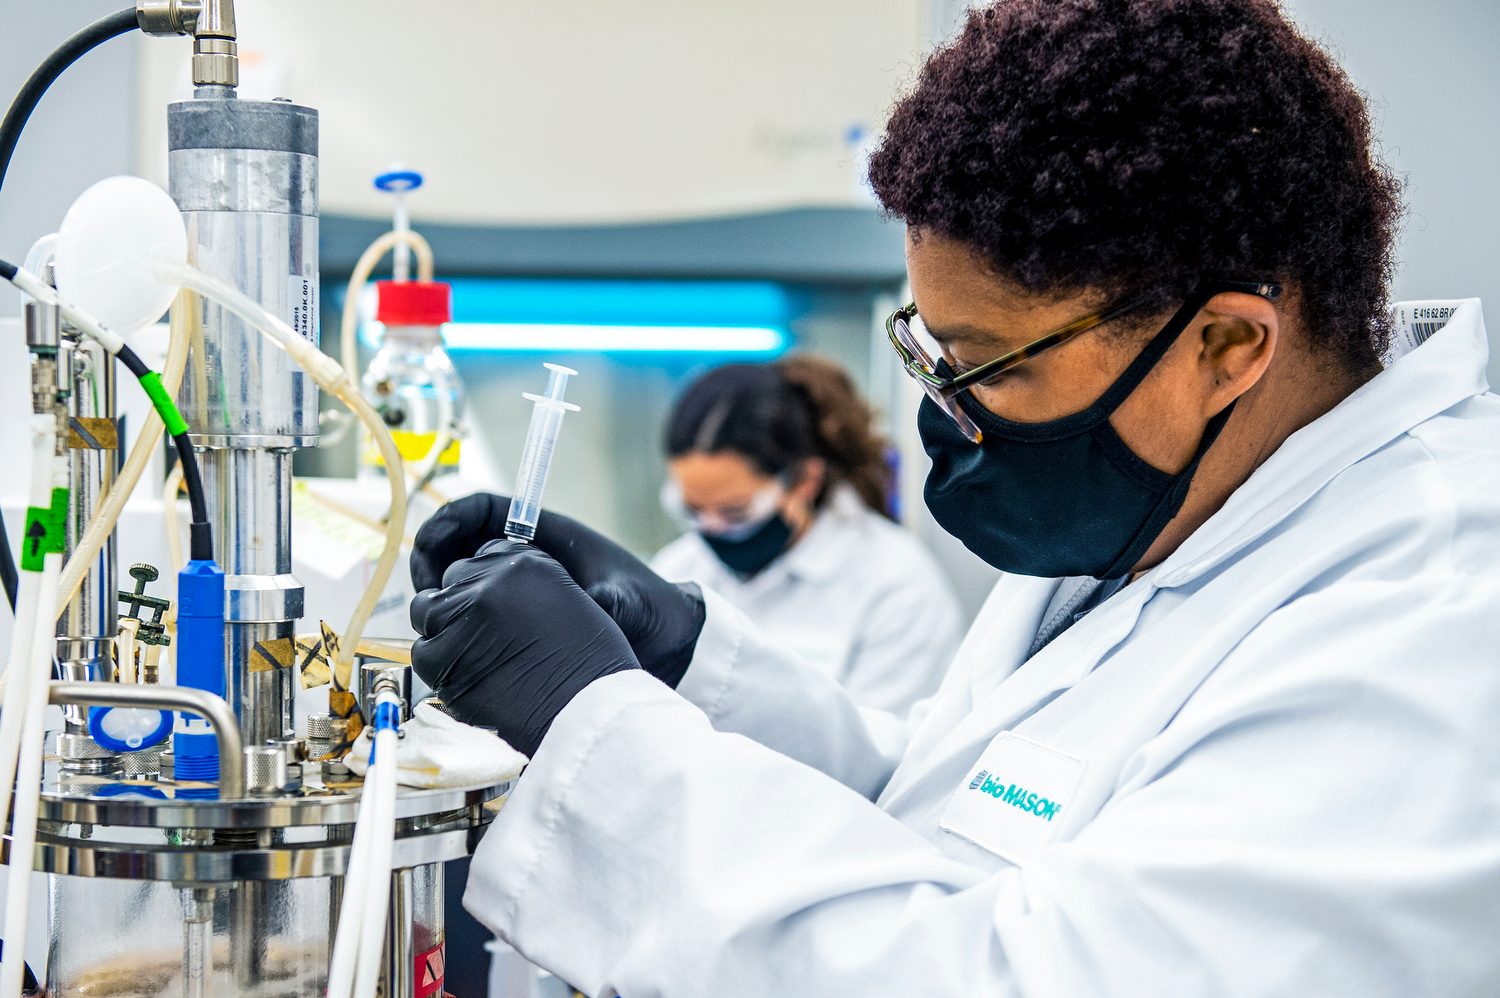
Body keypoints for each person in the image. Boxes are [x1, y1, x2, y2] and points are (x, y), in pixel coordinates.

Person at [406, 1, 1500, 994]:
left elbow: (1020, 975)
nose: (952, 411)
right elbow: (949, 818)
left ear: (1223, 344)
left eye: (990, 364)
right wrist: (687, 660)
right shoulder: (1178, 496)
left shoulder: (1434, 618)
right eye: (934, 354)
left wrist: (598, 723)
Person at [651, 355, 962, 717]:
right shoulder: (678, 568)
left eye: (735, 513)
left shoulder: (896, 585)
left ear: (804, 482)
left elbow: (888, 754)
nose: (711, 530)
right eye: (691, 510)